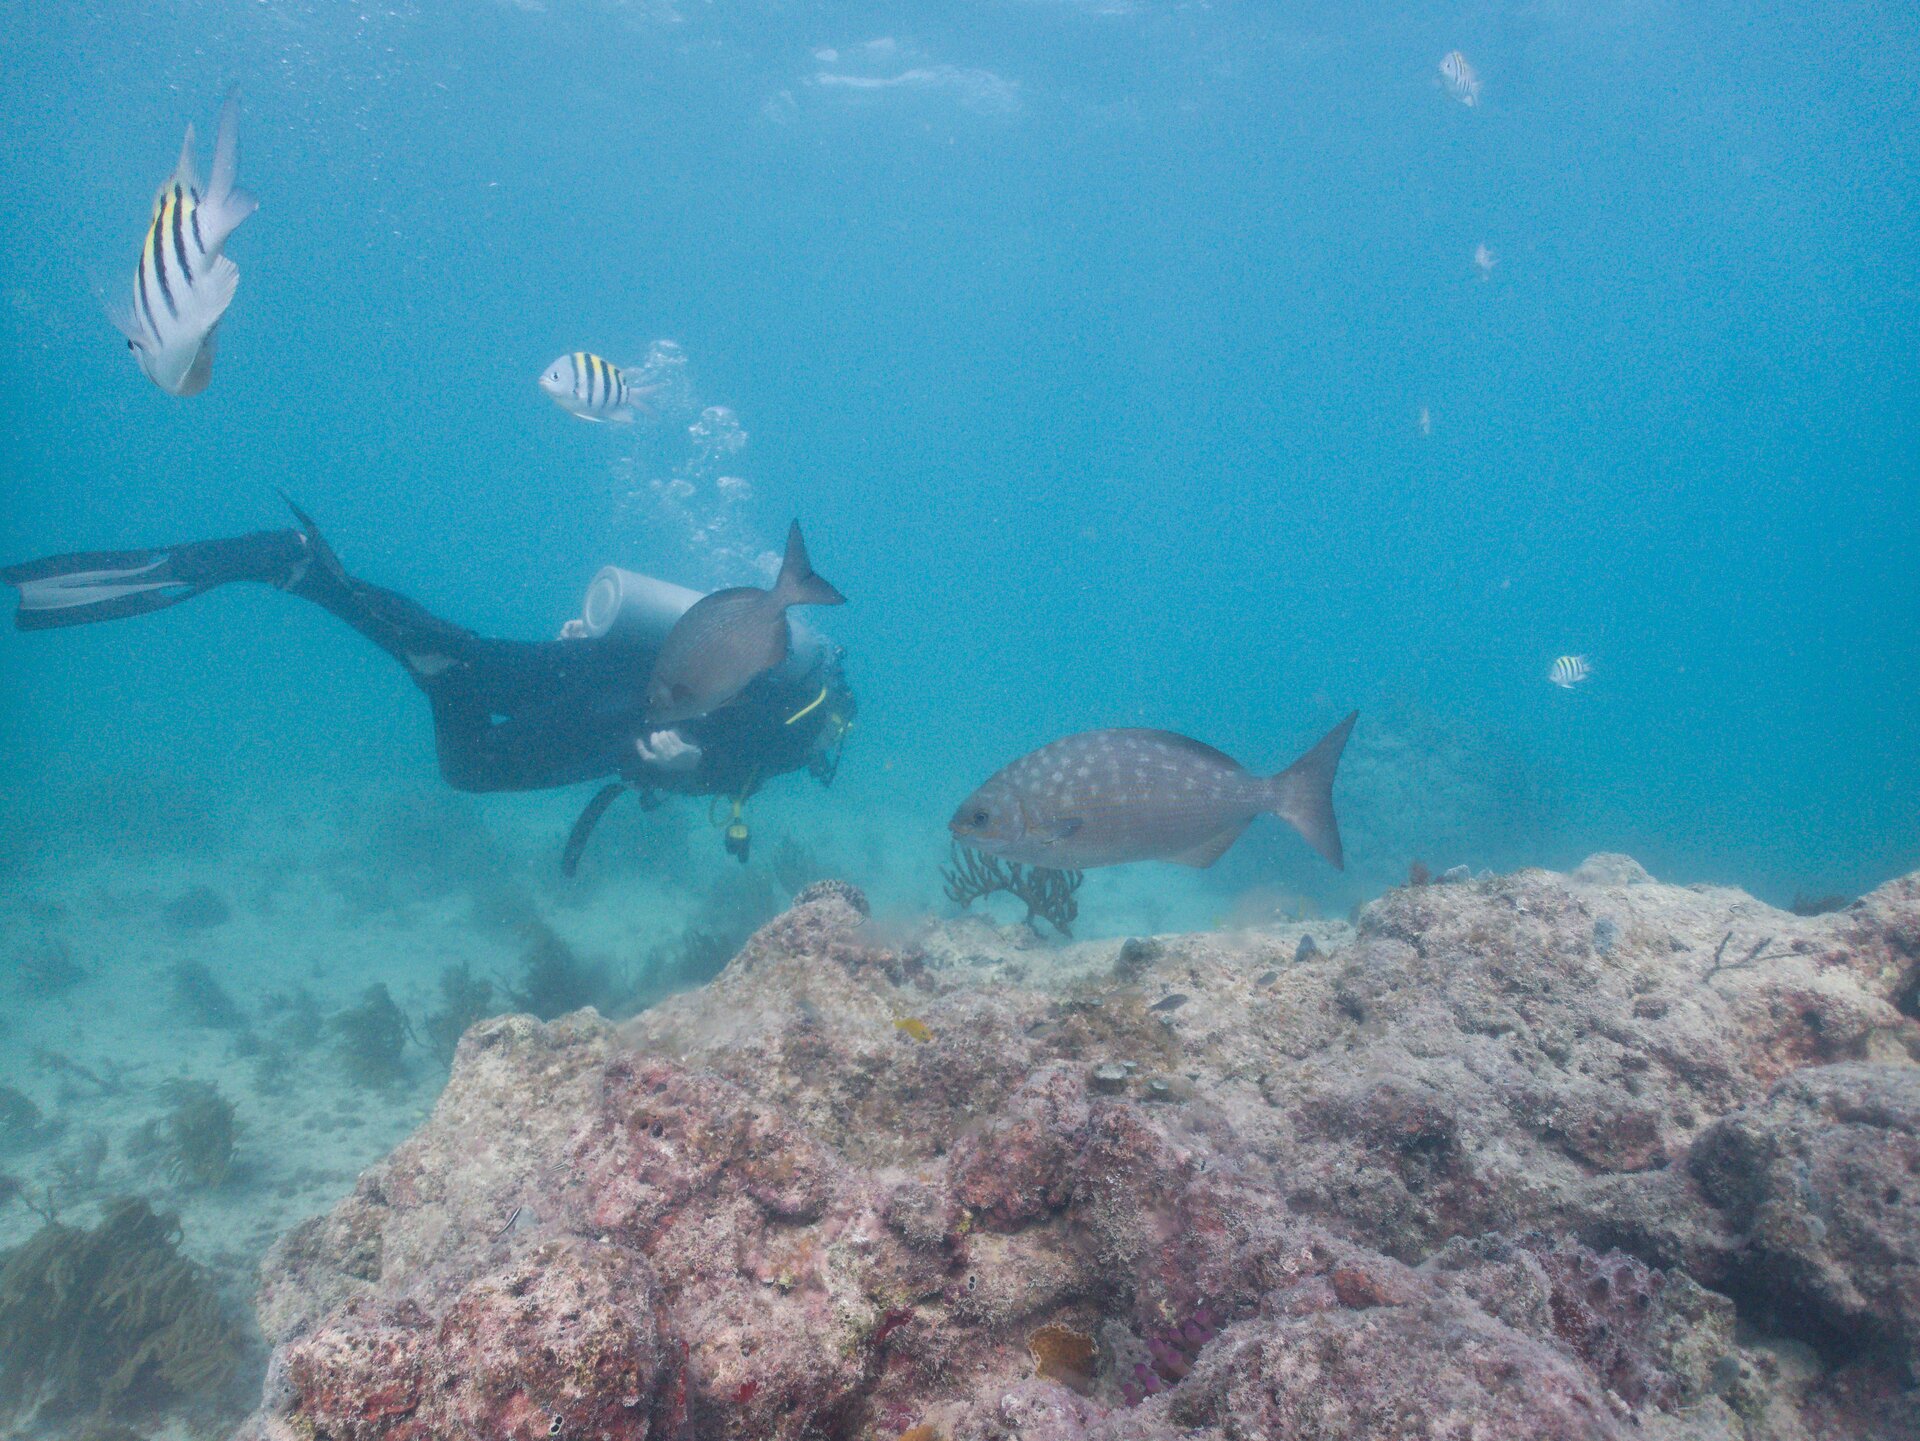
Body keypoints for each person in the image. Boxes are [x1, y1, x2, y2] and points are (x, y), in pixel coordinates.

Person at [1, 501, 854, 870]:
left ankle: (301, 575)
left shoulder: (793, 710)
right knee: (472, 750)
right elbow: (719, 730)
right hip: (625, 706)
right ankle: (305, 573)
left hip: (619, 674)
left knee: (476, 661)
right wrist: (670, 756)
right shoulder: (792, 732)